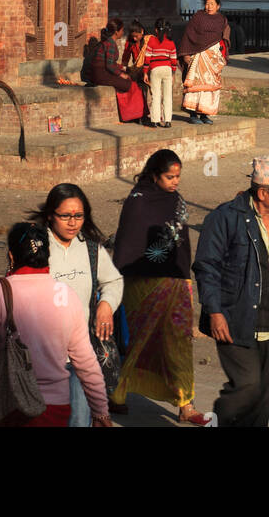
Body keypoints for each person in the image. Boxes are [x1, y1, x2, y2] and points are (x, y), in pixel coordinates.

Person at [0, 222, 111, 428]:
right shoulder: (66, 295)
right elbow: (86, 361)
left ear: (11, 257)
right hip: (56, 408)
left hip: (9, 407)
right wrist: (101, 412)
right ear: (48, 255)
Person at [193, 155, 269, 429]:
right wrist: (214, 311)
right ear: (263, 193)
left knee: (264, 396)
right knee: (248, 388)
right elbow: (207, 266)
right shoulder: (225, 218)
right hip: (235, 321)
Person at [110, 149, 206, 424]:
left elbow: (181, 242)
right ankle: (118, 392)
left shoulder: (176, 200)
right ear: (154, 174)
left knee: (179, 341)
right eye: (169, 176)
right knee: (143, 341)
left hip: (175, 281)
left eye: (178, 176)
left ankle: (186, 403)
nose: (175, 181)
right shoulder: (138, 201)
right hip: (142, 283)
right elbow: (129, 244)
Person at [31, 183, 123, 427]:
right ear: (50, 215)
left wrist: (106, 304)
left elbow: (114, 281)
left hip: (80, 358)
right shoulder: (34, 248)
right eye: (65, 216)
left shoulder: (92, 249)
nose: (73, 222)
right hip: (39, 359)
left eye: (78, 216)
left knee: (79, 420)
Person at [179, 0, 230, 126]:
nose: (209, 6)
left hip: (213, 59)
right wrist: (186, 54)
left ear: (218, 6)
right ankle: (193, 114)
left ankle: (204, 114)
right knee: (196, 86)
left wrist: (222, 54)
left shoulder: (222, 20)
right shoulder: (198, 17)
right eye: (207, 4)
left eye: (212, 4)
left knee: (209, 88)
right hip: (198, 56)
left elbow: (225, 36)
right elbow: (188, 34)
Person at [82, 25, 143, 123]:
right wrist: (121, 74)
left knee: (128, 81)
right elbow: (110, 65)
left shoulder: (104, 44)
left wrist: (123, 69)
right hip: (101, 75)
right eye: (122, 30)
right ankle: (132, 115)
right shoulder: (109, 44)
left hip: (99, 75)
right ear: (116, 32)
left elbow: (111, 63)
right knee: (129, 84)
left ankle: (133, 114)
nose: (123, 33)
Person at [143, 19, 178, 129]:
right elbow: (174, 60)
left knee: (156, 95)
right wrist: (173, 74)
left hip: (155, 70)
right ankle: (167, 121)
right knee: (168, 96)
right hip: (167, 69)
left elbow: (147, 58)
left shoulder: (152, 41)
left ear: (156, 30)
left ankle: (155, 120)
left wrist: (145, 73)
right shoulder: (171, 42)